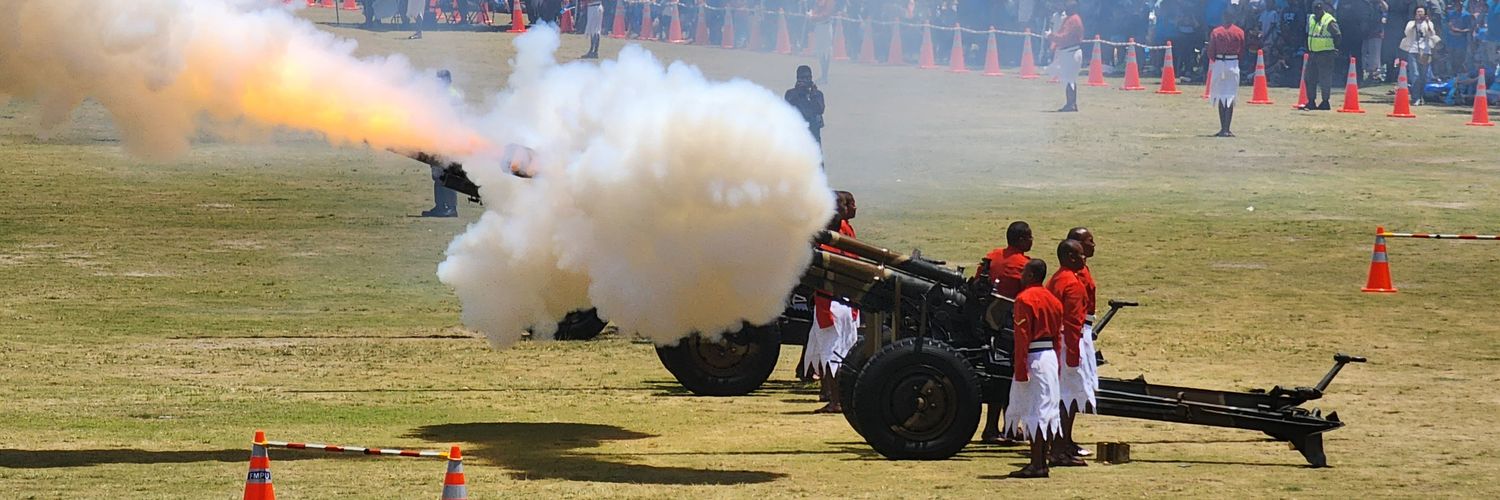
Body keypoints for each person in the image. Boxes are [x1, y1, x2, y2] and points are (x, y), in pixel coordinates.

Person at [1003, 258, 1064, 479]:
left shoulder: (1024, 299)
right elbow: (1058, 336)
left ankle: (1036, 464)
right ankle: (1040, 462)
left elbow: (1022, 337)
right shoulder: (1054, 300)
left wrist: (1020, 370)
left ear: (1030, 275)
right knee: (1046, 411)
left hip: (1033, 358)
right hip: (1049, 357)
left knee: (1034, 411)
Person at [978, 220, 1034, 445]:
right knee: (1008, 378)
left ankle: (1002, 427)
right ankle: (1002, 428)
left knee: (1001, 377)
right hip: (1010, 327)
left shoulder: (992, 256)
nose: (1032, 241)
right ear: (1021, 240)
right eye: (1029, 237)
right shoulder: (1024, 266)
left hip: (986, 323)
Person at [804, 190, 858, 413]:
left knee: (831, 353)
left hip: (831, 304)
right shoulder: (837, 236)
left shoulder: (826, 244)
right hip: (839, 301)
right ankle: (830, 395)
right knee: (833, 350)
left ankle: (836, 401)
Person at [1047, 239, 1092, 467]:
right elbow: (1073, 323)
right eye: (1080, 255)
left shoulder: (1057, 278)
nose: (1084, 259)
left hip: (1057, 343)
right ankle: (1059, 448)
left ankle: (1059, 446)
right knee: (1068, 399)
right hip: (1068, 345)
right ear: (1070, 257)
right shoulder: (1072, 283)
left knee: (1063, 398)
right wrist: (1074, 356)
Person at [422, 70, 464, 218]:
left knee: (448, 176)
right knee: (438, 175)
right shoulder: (440, 96)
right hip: (438, 141)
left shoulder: (452, 97)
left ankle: (451, 208)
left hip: (449, 142)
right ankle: (440, 206)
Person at [1208, 9, 1246, 137]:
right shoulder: (1240, 32)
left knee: (1220, 95)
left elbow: (1211, 52)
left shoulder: (1216, 32)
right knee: (1230, 96)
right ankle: (1227, 128)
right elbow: (1242, 51)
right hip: (1233, 63)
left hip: (1220, 63)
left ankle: (1222, 128)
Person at [1301, 1, 1342, 110]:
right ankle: (1311, 101)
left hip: (1326, 54)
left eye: (1319, 9)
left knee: (1325, 79)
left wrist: (1336, 48)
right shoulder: (1311, 19)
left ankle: (1325, 102)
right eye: (1315, 9)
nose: (1317, 11)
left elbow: (1337, 35)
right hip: (1313, 53)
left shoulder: (1329, 20)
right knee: (1309, 78)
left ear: (1323, 9)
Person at [1046, 0, 1085, 112]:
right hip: (1068, 51)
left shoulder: (1073, 20)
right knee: (1068, 79)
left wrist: (1051, 36)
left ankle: (1071, 104)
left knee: (1069, 79)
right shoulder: (1070, 19)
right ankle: (1071, 103)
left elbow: (1064, 36)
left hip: (1071, 52)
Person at [1402, 6, 1441, 105]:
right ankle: (1415, 97)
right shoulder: (1411, 23)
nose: (1419, 14)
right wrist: (1415, 23)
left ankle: (1421, 95)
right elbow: (1407, 32)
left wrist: (1427, 23)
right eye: (1418, 12)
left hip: (1425, 51)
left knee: (1423, 76)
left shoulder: (1428, 23)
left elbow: (1432, 34)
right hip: (1413, 50)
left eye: (1421, 12)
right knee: (1415, 74)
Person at [784, 65, 826, 145]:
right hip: (797, 134)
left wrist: (812, 93)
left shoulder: (817, 94)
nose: (806, 80)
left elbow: (820, 109)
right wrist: (798, 91)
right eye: (803, 78)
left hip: (813, 135)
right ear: (798, 79)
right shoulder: (790, 93)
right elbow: (787, 107)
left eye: (808, 78)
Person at [809, 0, 837, 84]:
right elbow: (816, 9)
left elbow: (826, 14)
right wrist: (812, 14)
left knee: (826, 51)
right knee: (820, 51)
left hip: (826, 26)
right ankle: (823, 75)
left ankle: (825, 76)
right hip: (819, 26)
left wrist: (814, 16)